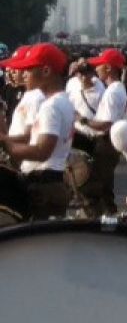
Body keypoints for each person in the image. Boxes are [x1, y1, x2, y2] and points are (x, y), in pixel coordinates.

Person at [0, 44, 73, 219]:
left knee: (35, 243)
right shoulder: (62, 101)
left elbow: (42, 151)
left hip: (43, 188)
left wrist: (6, 144)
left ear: (46, 71)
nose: (24, 74)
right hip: (49, 183)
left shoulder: (52, 106)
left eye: (29, 69)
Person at [82, 47, 127, 214]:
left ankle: (100, 221)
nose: (96, 69)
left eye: (99, 65)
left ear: (108, 67)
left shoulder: (112, 92)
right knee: (105, 186)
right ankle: (111, 215)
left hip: (107, 141)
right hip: (109, 141)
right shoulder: (117, 89)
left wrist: (82, 120)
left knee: (95, 187)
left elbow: (105, 123)